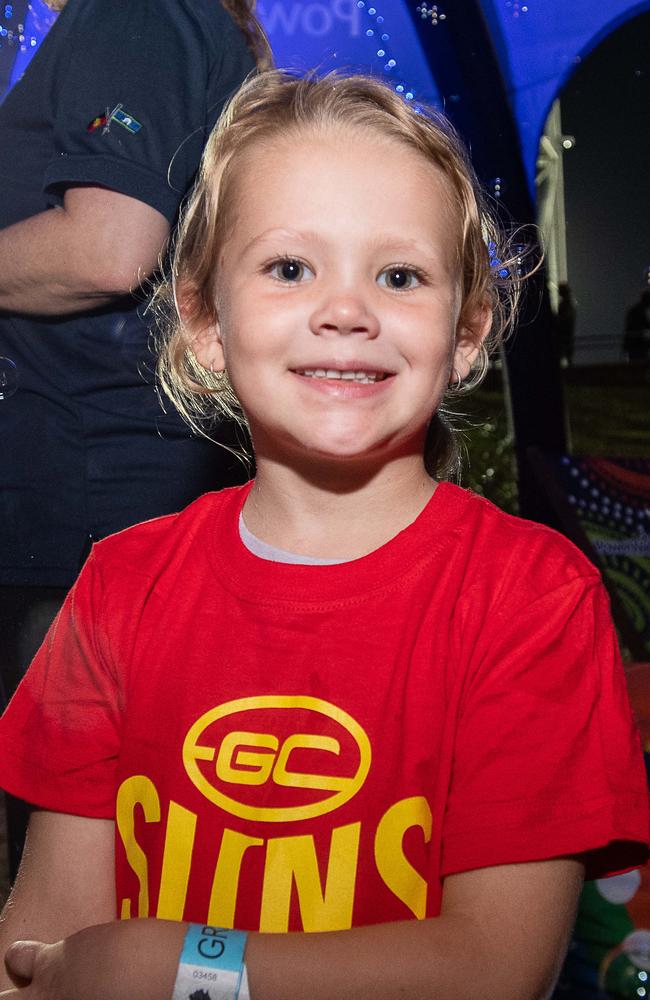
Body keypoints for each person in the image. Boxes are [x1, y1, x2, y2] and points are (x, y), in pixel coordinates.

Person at [0, 70, 647, 1000]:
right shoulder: (119, 587)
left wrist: (185, 968)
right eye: (290, 267)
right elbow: (37, 951)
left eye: (399, 275)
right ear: (204, 321)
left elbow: (495, 968)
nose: (347, 309)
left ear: (467, 331)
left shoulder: (531, 599)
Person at [0, 0, 269, 874]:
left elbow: (106, 249)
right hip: (122, 495)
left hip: (88, 518)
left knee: (77, 870)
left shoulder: (134, 10)